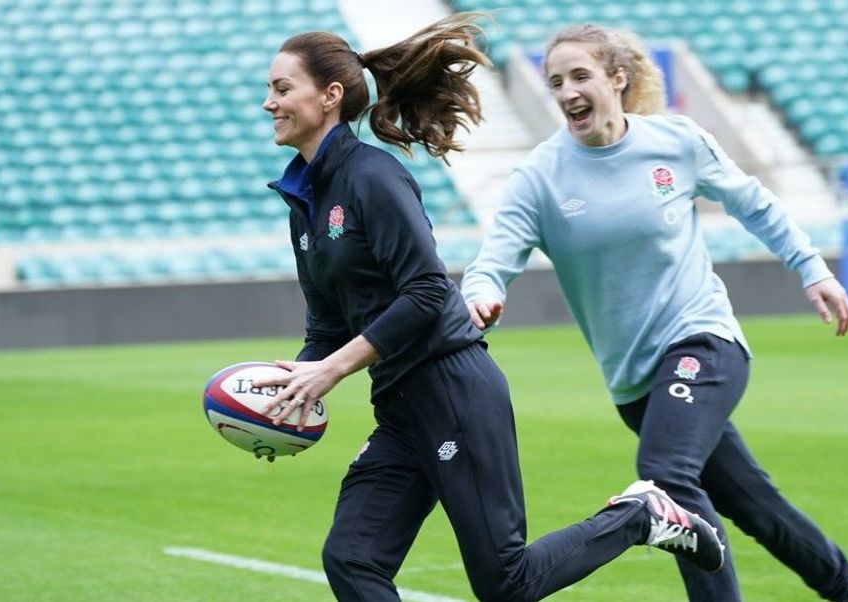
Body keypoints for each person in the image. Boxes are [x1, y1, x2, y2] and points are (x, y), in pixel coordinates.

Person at [250, 14, 724, 602]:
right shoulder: (305, 199)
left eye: (281, 88)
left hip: (453, 391)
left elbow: (426, 291)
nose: (269, 102)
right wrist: (296, 384)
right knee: (351, 558)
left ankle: (639, 516)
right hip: (400, 406)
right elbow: (326, 322)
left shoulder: (373, 176)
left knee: (505, 583)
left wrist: (335, 368)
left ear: (330, 96)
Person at [460, 23, 848, 602]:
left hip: (703, 339)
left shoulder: (677, 141)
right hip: (634, 383)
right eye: (555, 81)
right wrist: (482, 293)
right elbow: (493, 261)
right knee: (753, 504)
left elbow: (754, 203)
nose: (566, 92)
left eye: (580, 76)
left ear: (617, 79)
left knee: (666, 481)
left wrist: (812, 268)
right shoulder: (539, 177)